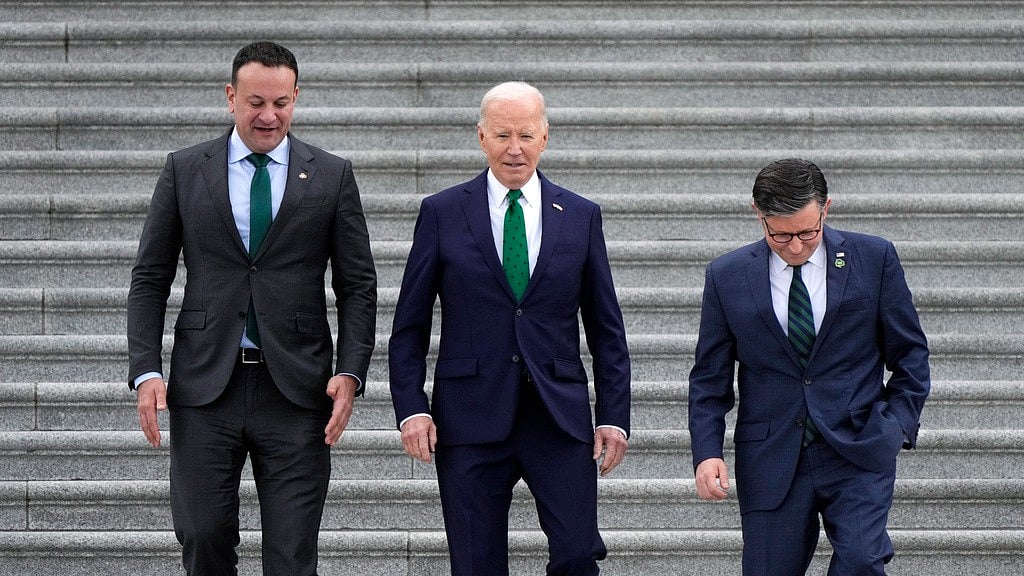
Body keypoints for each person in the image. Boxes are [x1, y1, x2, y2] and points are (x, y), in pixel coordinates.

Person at [126, 41, 377, 575]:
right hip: (204, 386)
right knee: (202, 536)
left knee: (291, 554)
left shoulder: (331, 174)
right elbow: (150, 277)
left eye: (281, 103)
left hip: (297, 390)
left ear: (296, 98)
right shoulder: (185, 170)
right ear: (230, 97)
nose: (269, 116)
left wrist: (350, 371)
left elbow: (358, 285)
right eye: (255, 102)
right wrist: (146, 369)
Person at [388, 81, 631, 576]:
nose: (514, 148)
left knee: (578, 555)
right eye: (502, 135)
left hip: (557, 418)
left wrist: (613, 415)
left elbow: (606, 328)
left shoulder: (581, 215)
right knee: (476, 565)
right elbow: (408, 326)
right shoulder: (442, 212)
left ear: (545, 138)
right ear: (481, 137)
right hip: (470, 418)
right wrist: (411, 408)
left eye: (525, 135)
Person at [688, 158, 930, 575]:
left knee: (861, 561)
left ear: (826, 208)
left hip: (857, 445)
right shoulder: (726, 275)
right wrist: (707, 452)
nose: (796, 246)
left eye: (807, 232)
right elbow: (710, 378)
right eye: (780, 235)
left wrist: (897, 425)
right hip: (771, 454)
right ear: (757, 214)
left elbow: (910, 353)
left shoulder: (874, 258)